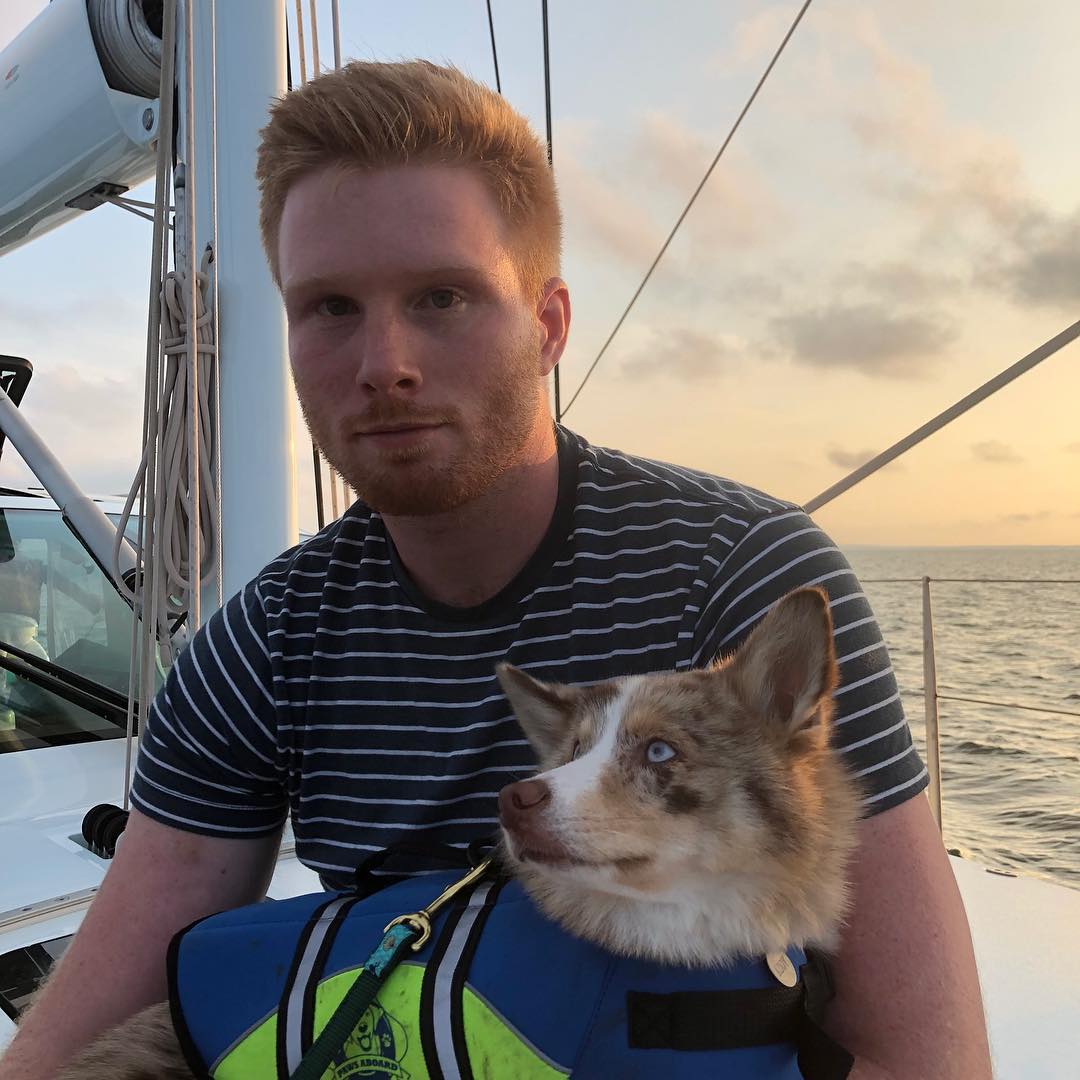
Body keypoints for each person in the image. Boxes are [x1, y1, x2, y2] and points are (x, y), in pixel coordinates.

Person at [1, 61, 991, 1078]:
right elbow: (78, 1035)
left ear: (550, 323)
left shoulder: (734, 576)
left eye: (443, 296)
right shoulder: (267, 643)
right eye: (330, 307)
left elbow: (926, 1056)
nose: (384, 360)